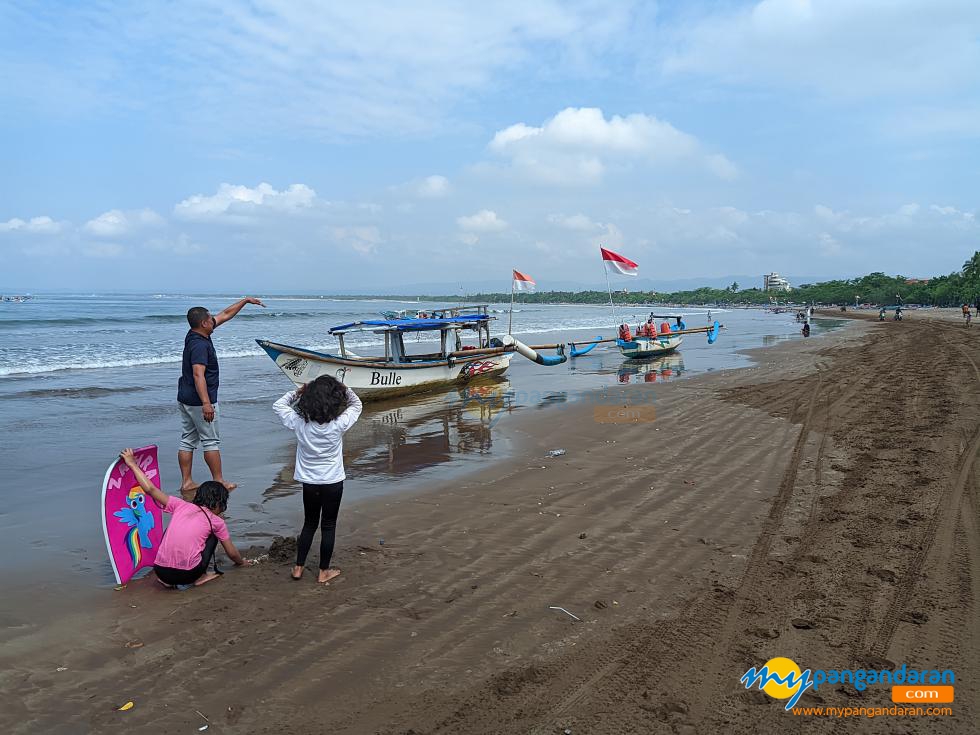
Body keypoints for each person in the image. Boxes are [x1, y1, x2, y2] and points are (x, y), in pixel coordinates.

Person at [119, 448, 253, 587]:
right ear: (219, 504)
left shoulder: (179, 505)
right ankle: (204, 575)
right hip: (188, 576)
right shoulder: (216, 521)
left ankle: (167, 577)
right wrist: (242, 563)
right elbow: (232, 554)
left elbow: (150, 489)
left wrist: (131, 464)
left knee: (171, 529)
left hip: (161, 572)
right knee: (213, 535)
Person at [273, 376, 363, 584]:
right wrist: (344, 387)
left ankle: (298, 567)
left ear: (309, 400)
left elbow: (279, 405)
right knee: (328, 526)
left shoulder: (300, 424)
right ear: (333, 400)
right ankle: (323, 572)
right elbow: (357, 404)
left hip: (309, 482)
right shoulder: (338, 425)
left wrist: (299, 391)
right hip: (332, 482)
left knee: (309, 524)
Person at [177, 297, 266, 493]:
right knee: (210, 440)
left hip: (185, 397)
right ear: (203, 323)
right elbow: (198, 374)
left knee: (188, 439)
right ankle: (219, 482)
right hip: (199, 400)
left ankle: (187, 482)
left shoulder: (194, 333)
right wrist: (206, 403)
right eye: (210, 319)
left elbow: (225, 315)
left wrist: (245, 301)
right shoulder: (200, 345)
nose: (214, 321)